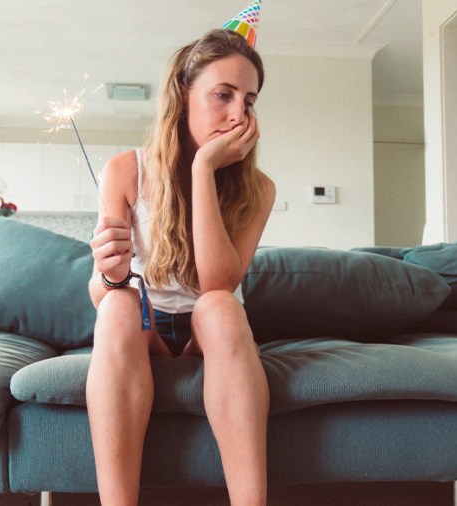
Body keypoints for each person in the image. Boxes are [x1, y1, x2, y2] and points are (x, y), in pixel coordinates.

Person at [85, 21, 276, 506]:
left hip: (206, 331)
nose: (238, 115)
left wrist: (203, 169)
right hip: (144, 325)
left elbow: (217, 283)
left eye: (248, 101)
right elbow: (101, 293)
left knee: (220, 306)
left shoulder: (258, 190)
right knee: (117, 306)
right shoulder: (125, 170)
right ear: (183, 93)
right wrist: (109, 273)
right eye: (223, 95)